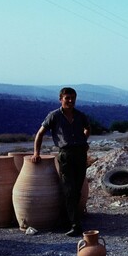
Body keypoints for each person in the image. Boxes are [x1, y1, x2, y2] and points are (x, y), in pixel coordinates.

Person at [32, 87, 91, 236]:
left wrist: (83, 140)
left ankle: (69, 219)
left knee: (76, 190)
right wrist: (36, 153)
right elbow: (40, 134)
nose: (70, 101)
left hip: (80, 154)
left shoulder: (80, 115)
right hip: (66, 155)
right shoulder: (54, 116)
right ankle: (75, 225)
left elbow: (87, 129)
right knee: (69, 190)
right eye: (67, 98)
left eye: (73, 98)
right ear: (61, 99)